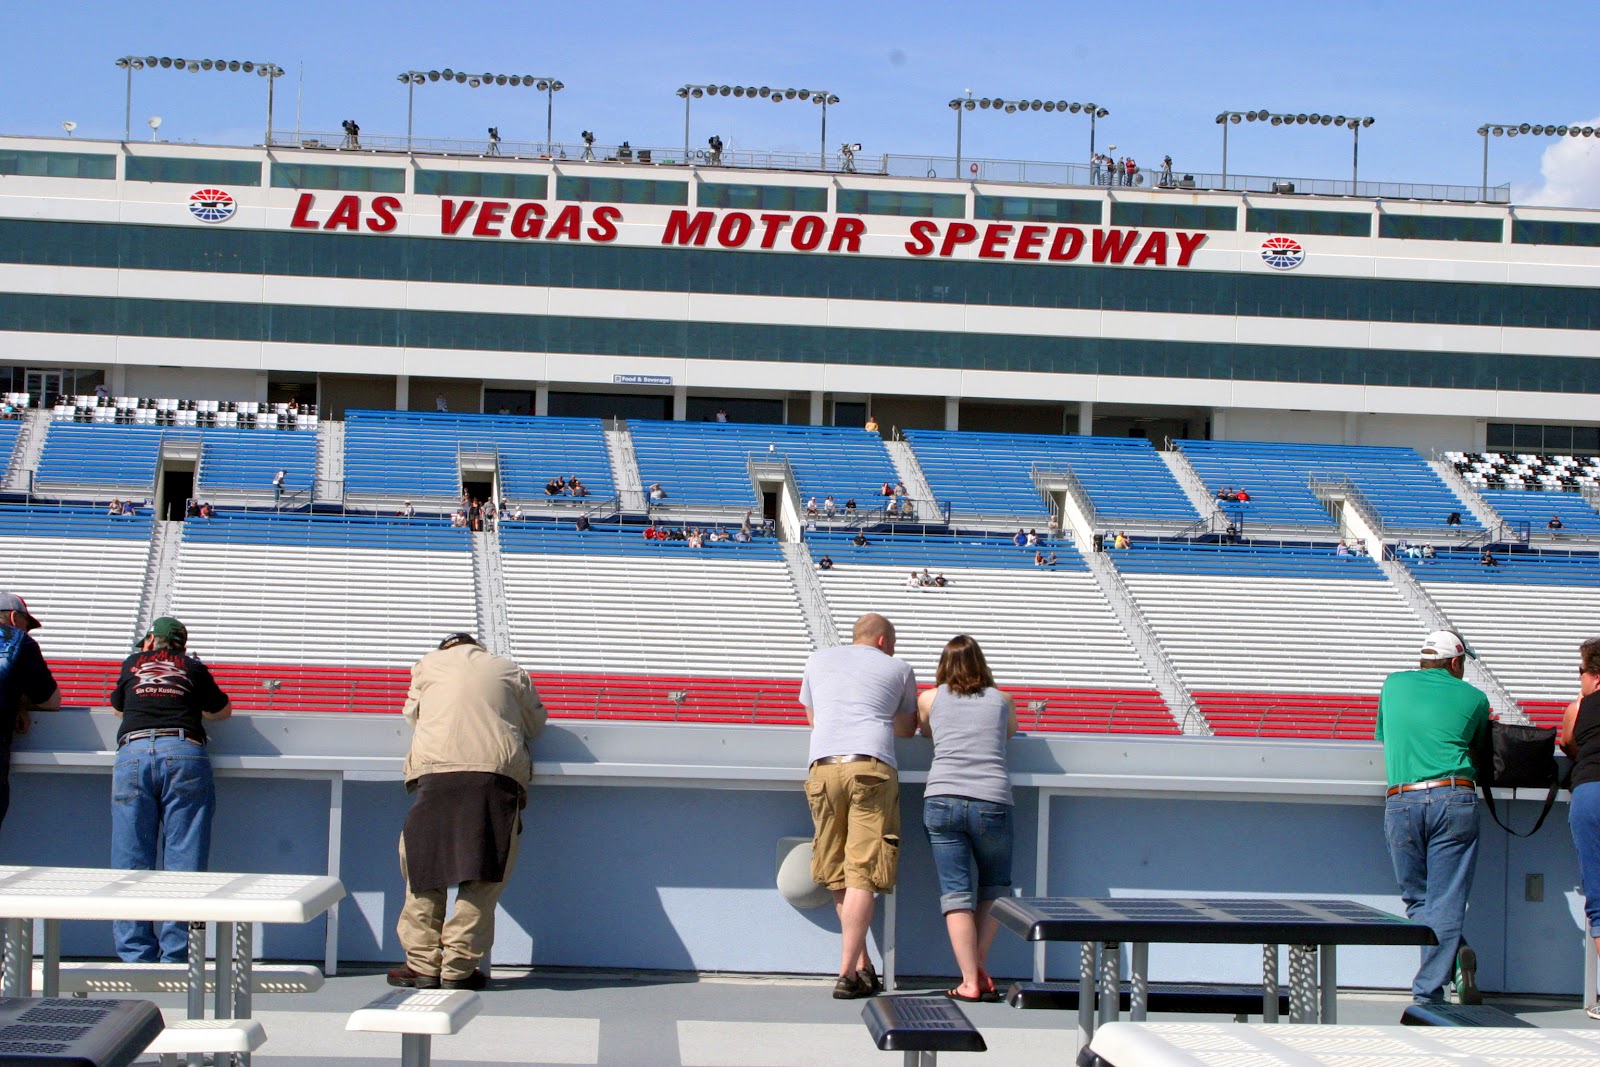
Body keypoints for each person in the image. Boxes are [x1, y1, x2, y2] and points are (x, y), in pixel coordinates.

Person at [388, 633, 546, 991]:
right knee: (484, 877)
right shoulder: (510, 669)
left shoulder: (426, 666)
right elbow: (536, 723)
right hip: (495, 780)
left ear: (446, 650)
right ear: (479, 649)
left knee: (423, 872)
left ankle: (423, 965)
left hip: (436, 777)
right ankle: (458, 969)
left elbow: (413, 715)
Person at [799, 613, 918, 999]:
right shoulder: (898, 667)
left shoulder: (817, 660)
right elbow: (904, 728)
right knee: (864, 870)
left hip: (823, 766)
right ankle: (846, 972)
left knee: (838, 870)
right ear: (884, 640)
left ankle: (862, 965)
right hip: (870, 764)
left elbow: (813, 719)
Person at [1376, 629, 1490, 1005]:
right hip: (1454, 797)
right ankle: (1432, 987)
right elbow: (1480, 751)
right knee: (1446, 900)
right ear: (1455, 662)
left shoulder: (1392, 684)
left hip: (1403, 799)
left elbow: (1385, 735)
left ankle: (1447, 966)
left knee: (1418, 899)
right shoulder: (1474, 697)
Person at [110, 617, 232, 962]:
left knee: (131, 859)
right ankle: (177, 956)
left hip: (132, 751)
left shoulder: (132, 664)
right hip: (183, 750)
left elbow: (118, 706)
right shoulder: (193, 667)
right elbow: (222, 711)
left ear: (151, 641)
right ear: (180, 643)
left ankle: (135, 955)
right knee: (185, 858)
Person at [917, 635, 1018, 1002]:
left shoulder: (929, 698)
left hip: (942, 798)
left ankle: (969, 980)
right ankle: (976, 968)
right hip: (992, 800)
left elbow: (926, 731)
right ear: (982, 662)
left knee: (955, 893)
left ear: (944, 664)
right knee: (995, 887)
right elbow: (1008, 734)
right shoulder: (1002, 700)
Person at [1558, 638, 1600, 1020]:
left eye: (1581, 673)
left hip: (1592, 794)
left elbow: (1568, 744)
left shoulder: (1579, 707)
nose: (1579, 680)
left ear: (1597, 677)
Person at [0, 592, 59, 832]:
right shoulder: (18, 640)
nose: (28, 631)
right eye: (27, 624)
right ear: (14, 617)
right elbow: (51, 701)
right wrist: (19, 702)